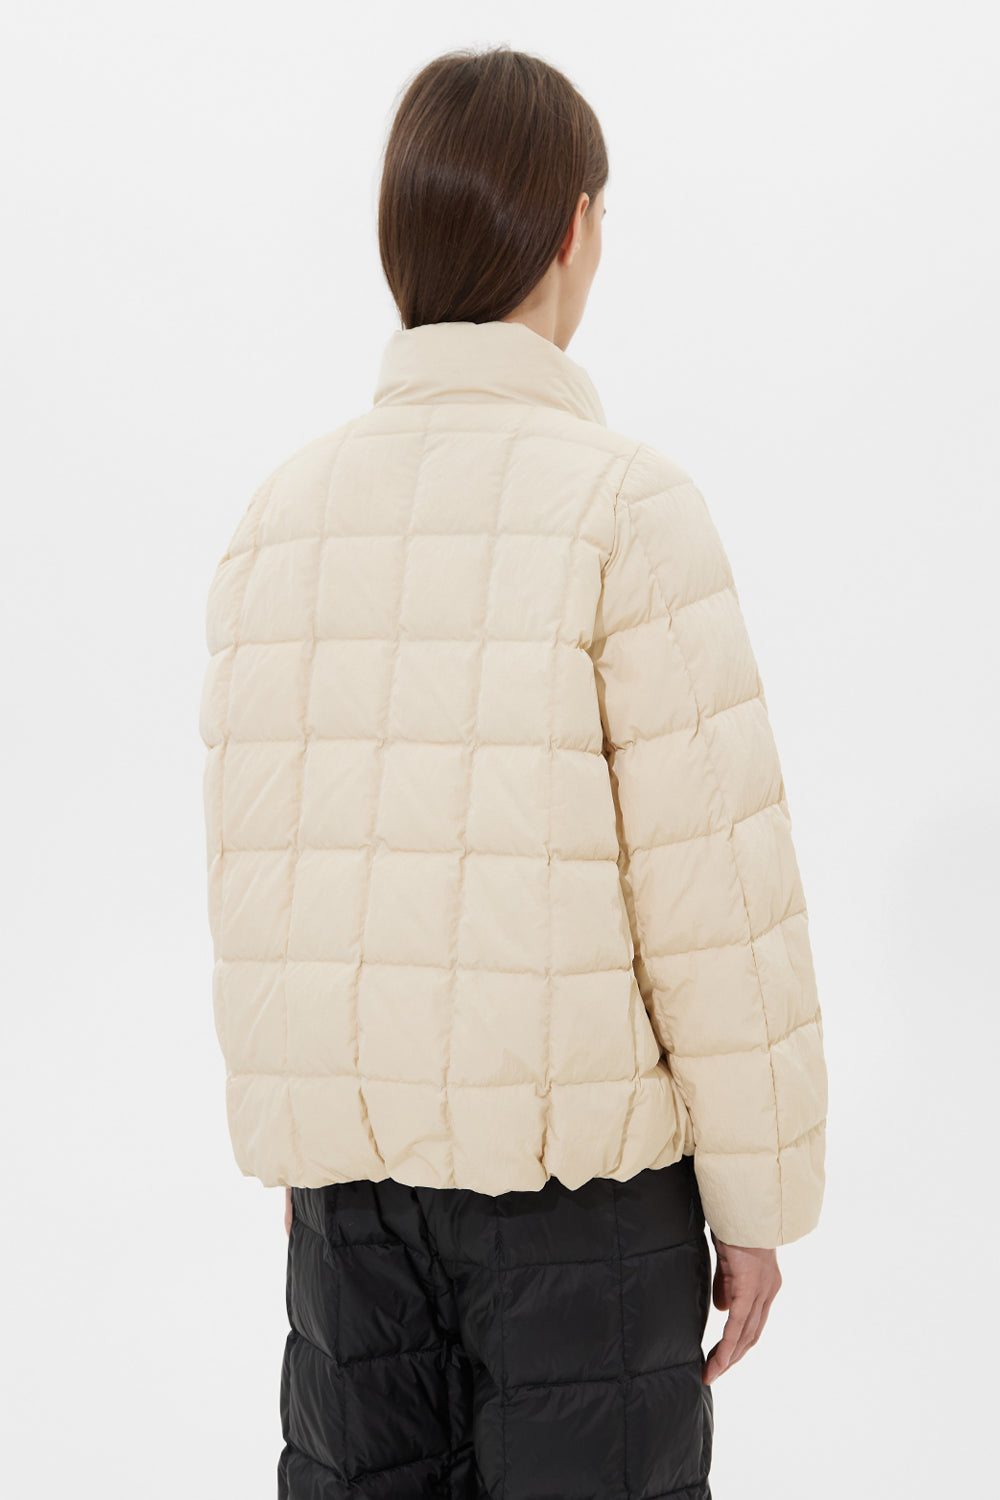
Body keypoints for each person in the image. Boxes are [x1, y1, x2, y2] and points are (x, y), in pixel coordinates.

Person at [199, 44, 828, 1500]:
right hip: (581, 1214)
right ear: (573, 227)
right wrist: (755, 1202)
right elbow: (714, 894)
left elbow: (260, 867)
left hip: (350, 1210)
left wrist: (307, 1137)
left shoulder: (280, 516)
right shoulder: (627, 510)